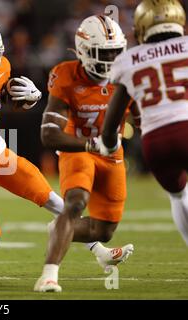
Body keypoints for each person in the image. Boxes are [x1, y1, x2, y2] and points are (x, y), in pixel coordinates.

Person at [0, 20, 124, 273]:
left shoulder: (2, 68)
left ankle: (100, 251)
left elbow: (8, 103)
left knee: (53, 200)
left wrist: (30, 99)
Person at [36, 15, 138, 293]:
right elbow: (48, 134)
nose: (110, 59)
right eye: (102, 52)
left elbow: (141, 118)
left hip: (113, 153)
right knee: (76, 203)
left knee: (103, 231)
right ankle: (49, 275)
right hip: (79, 146)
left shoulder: (128, 73)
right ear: (83, 50)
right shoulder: (66, 74)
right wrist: (91, 144)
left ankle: (61, 228)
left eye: (115, 52)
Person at [101, 0, 188, 246]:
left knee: (178, 195)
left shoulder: (129, 59)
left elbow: (113, 119)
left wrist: (108, 145)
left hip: (155, 142)